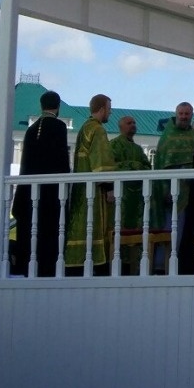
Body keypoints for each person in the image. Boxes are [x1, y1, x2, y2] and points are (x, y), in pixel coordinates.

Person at [14, 90, 70, 278]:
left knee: (31, 234)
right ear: (58, 106)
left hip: (29, 192)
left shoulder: (32, 129)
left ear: (41, 106)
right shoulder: (59, 127)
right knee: (48, 235)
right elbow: (62, 161)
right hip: (51, 193)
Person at [65, 94, 117, 274]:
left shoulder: (84, 128)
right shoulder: (98, 130)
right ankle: (97, 266)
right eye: (109, 109)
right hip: (94, 190)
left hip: (81, 186)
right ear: (102, 109)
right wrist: (110, 187)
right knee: (95, 227)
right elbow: (101, 161)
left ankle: (76, 264)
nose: (110, 112)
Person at [153, 102, 194, 275]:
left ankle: (180, 265)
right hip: (170, 191)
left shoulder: (193, 135)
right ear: (176, 113)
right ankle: (162, 265)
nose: (184, 116)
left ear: (191, 115)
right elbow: (162, 163)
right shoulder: (168, 135)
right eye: (181, 113)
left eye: (187, 114)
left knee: (185, 230)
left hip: (189, 190)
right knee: (169, 228)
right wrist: (165, 189)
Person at [108, 114, 155, 275]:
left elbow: (147, 167)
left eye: (134, 123)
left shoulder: (137, 149)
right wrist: (134, 165)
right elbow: (111, 167)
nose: (133, 125)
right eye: (129, 123)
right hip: (121, 196)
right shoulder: (113, 145)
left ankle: (134, 269)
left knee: (137, 235)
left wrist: (136, 166)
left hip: (137, 199)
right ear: (120, 127)